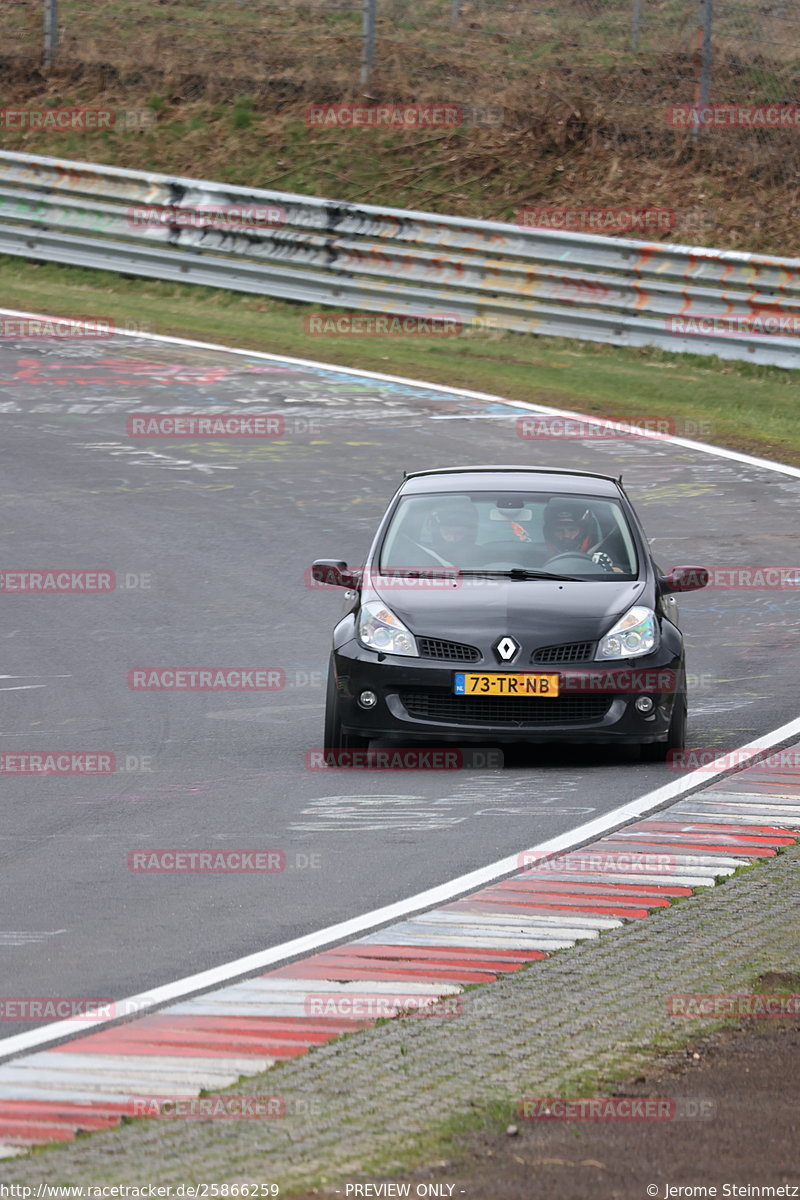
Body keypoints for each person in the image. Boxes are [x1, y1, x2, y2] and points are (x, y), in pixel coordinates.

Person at [542, 498, 617, 571]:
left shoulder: (602, 558)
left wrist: (606, 570)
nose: (566, 535)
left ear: (582, 533)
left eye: (572, 530)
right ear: (550, 533)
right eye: (559, 530)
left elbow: (621, 573)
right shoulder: (535, 557)